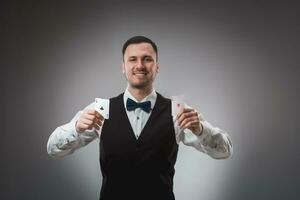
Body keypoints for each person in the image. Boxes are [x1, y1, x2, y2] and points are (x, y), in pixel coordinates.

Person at [47, 36, 233, 200]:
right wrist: (76, 128)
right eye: (132, 59)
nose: (140, 66)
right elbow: (53, 149)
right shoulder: (101, 109)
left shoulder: (177, 110)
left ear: (157, 67)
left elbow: (225, 151)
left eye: (147, 59)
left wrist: (201, 130)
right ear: (123, 67)